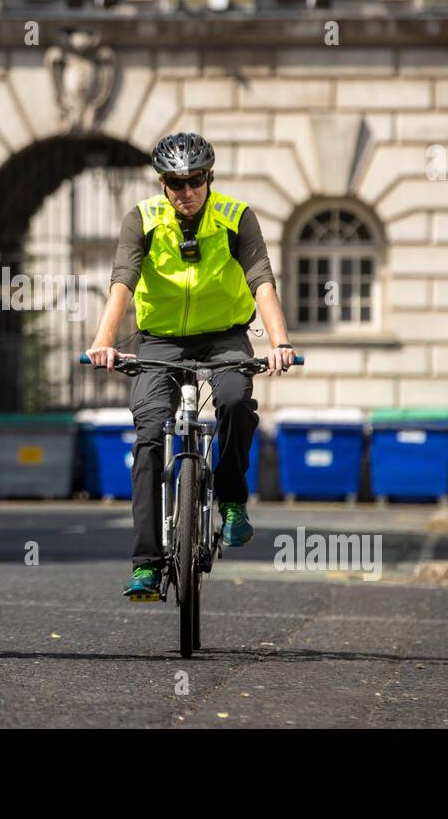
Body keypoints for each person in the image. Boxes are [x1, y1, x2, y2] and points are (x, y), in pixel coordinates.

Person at [85, 131, 295, 600]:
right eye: (175, 183)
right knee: (148, 434)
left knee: (236, 401)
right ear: (162, 183)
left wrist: (279, 341)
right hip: (159, 340)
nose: (186, 192)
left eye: (195, 181)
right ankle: (145, 563)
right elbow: (123, 281)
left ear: (209, 177)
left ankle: (233, 500)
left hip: (224, 337)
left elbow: (261, 279)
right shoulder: (141, 219)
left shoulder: (236, 217)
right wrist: (103, 341)